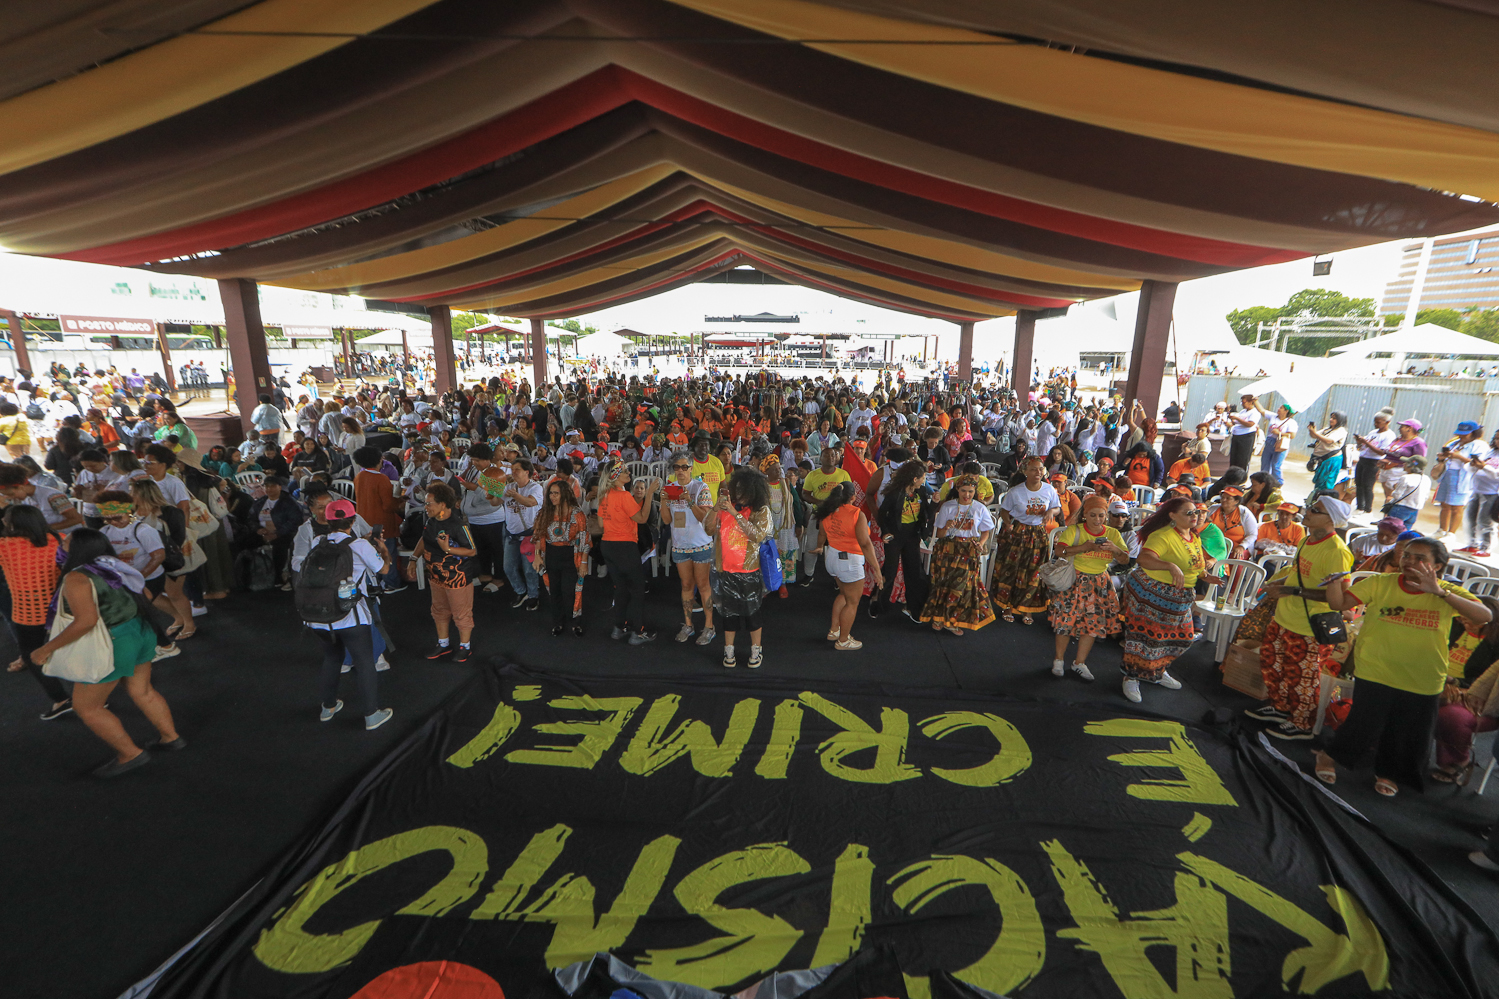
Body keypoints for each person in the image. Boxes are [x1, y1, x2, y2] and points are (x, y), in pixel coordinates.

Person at [1315, 537, 1491, 795]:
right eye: (1407, 555)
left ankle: (1390, 773)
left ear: (1438, 566)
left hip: (1423, 676)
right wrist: (1333, 583)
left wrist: (1440, 592)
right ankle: (1329, 757)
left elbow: (1485, 616)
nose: (1409, 562)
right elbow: (1339, 604)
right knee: (1364, 724)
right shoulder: (1380, 583)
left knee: (1408, 731)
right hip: (1376, 669)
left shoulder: (1446, 593)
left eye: (1420, 558)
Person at [31, 529, 181, 778]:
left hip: (113, 642)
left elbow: (86, 621)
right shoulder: (115, 565)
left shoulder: (77, 578)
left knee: (87, 707)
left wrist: (46, 649)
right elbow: (144, 593)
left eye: (66, 541)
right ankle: (171, 737)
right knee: (143, 691)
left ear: (77, 548)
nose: (62, 543)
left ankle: (130, 754)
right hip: (140, 632)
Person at [1245, 496, 1356, 740]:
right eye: (1310, 508)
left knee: (1302, 678)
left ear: (1331, 521)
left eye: (1314, 511)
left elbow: (1340, 597)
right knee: (1274, 666)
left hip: (1309, 627)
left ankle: (1302, 723)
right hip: (1285, 617)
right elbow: (1299, 576)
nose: (1306, 513)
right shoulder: (1307, 540)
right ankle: (1281, 708)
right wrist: (1281, 583)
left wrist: (1289, 591)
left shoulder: (1337, 552)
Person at [299, 498, 394, 731]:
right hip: (351, 614)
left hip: (318, 614)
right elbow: (383, 569)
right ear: (353, 520)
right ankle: (372, 714)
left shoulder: (317, 541)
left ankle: (328, 707)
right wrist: (382, 550)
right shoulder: (360, 545)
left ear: (328, 520)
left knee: (332, 658)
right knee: (364, 661)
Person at [1122, 496, 1218, 703]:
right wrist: (1169, 566)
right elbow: (1143, 558)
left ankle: (1156, 669)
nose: (1195, 516)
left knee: (1182, 637)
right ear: (1172, 516)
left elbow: (1194, 563)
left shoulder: (1193, 536)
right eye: (1189, 512)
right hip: (1153, 595)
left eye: (1197, 512)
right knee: (1145, 639)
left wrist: (1204, 575)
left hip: (1179, 597)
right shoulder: (1163, 535)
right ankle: (1131, 677)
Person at [1049, 494, 1127, 680]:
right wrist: (1084, 547)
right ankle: (1058, 660)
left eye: (1101, 515)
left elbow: (1125, 559)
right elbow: (1059, 551)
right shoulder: (1074, 530)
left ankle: (1079, 663)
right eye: (1093, 515)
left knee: (1092, 625)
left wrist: (1114, 549)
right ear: (1085, 514)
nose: (1097, 519)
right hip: (1074, 580)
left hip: (1100, 582)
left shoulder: (1113, 534)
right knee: (1065, 623)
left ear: (1106, 516)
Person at [0, 506, 68, 719]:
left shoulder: (5, 546)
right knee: (76, 648)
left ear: (12, 524)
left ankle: (60, 699)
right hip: (63, 606)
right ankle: (93, 696)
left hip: (27, 611)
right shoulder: (61, 539)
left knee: (31, 653)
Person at [707, 467, 774, 667]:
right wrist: (715, 509)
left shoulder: (761, 511)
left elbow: (756, 535)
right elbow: (708, 528)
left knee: (753, 614)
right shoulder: (726, 507)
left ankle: (756, 650)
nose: (738, 494)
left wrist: (735, 513)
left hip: (749, 572)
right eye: (736, 490)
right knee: (729, 615)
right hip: (725, 570)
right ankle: (729, 651)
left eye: (743, 491)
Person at [406, 481, 478, 661]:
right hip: (436, 576)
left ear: (443, 505)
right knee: (439, 610)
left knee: (461, 613)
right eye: (425, 503)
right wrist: (414, 558)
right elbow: (424, 539)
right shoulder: (430, 521)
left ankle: (465, 646)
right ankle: (443, 643)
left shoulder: (458, 525)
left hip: (457, 578)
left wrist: (448, 549)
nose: (426, 506)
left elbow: (471, 550)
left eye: (429, 503)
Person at [812, 481, 883, 651]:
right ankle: (843, 640)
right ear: (853, 496)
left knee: (844, 594)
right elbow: (865, 544)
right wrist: (877, 570)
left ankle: (834, 630)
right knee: (852, 602)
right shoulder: (856, 514)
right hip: (849, 562)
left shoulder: (827, 511)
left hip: (832, 558)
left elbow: (822, 534)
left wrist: (820, 546)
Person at [991, 456, 1060, 625]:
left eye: (1040, 469)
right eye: (1033, 469)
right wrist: (1007, 524)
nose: (1038, 472)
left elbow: (1056, 507)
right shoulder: (1016, 492)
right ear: (1025, 471)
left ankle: (1028, 609)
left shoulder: (1049, 490)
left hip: (1038, 534)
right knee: (1012, 570)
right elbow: (1004, 512)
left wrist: (1052, 512)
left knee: (1034, 572)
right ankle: (1008, 606)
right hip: (1018, 532)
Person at [597, 460, 660, 644]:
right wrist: (649, 494)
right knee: (637, 589)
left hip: (607, 545)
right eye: (624, 471)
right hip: (624, 546)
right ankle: (637, 632)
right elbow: (642, 518)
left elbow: (601, 524)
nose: (628, 473)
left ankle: (619, 627)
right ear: (615, 476)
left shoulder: (604, 495)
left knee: (620, 588)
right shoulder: (624, 496)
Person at [531, 476, 589, 636]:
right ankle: (558, 622)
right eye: (550, 493)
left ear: (565, 494)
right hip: (551, 554)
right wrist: (537, 555)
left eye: (556, 493)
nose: (552, 496)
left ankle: (575, 622)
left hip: (571, 554)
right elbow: (538, 535)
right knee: (554, 591)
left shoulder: (577, 514)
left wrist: (584, 562)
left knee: (571, 591)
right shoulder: (545, 513)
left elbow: (584, 539)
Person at [874, 461, 932, 622]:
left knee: (915, 572)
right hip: (895, 536)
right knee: (890, 572)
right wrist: (885, 532)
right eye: (923, 477)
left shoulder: (920, 493)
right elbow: (882, 514)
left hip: (912, 536)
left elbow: (927, 513)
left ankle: (915, 607)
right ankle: (879, 604)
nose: (924, 479)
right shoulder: (895, 494)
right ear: (914, 479)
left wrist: (935, 502)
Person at [1431, 420, 1485, 543]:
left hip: (1462, 477)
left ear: (1473, 433)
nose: (1461, 436)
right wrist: (1442, 458)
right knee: (1444, 504)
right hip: (1447, 474)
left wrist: (1459, 457)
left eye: (1465, 434)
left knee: (1457, 506)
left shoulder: (1478, 445)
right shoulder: (1455, 443)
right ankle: (1442, 530)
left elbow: (1478, 463)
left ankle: (1451, 533)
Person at [501, 458, 543, 610]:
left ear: (527, 472)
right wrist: (491, 493)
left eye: (517, 470)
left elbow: (531, 502)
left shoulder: (535, 488)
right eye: (512, 470)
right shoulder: (509, 486)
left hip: (529, 534)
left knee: (529, 569)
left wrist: (515, 495)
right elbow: (494, 503)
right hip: (511, 534)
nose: (513, 473)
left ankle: (533, 595)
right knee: (508, 567)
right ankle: (521, 591)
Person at [248, 475, 305, 590]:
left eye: (272, 486)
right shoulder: (260, 502)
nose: (269, 489)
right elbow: (251, 519)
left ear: (280, 487)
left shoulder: (289, 503)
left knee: (280, 546)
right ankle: (249, 575)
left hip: (283, 534)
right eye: (266, 486)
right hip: (263, 533)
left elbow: (295, 522)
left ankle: (278, 576)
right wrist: (258, 529)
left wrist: (277, 533)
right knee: (245, 541)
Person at [1459, 428, 1499, 557]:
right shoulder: (1491, 452)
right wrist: (1474, 464)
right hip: (1477, 489)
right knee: (1470, 518)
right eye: (1496, 438)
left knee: (1485, 521)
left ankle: (1486, 547)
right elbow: (1472, 467)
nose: (1497, 441)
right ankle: (1472, 544)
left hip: (1492, 492)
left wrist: (1485, 467)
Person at [1350, 411, 1396, 514]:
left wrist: (1366, 442)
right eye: (1375, 422)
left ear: (1387, 422)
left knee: (1368, 485)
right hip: (1363, 459)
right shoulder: (1373, 432)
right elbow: (1363, 447)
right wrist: (1360, 442)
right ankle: (1360, 507)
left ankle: (1367, 508)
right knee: (1359, 483)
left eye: (1378, 422)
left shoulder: (1389, 435)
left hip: (1374, 461)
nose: (1376, 424)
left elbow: (1381, 452)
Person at [1305, 410, 1349, 504]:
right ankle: (1316, 499)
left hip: (1331, 460)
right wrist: (1312, 430)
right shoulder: (1327, 429)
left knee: (1326, 482)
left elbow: (1329, 441)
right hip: (1321, 459)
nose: (1331, 420)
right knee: (1319, 481)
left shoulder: (1341, 430)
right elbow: (1314, 436)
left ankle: (1322, 501)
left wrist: (1316, 433)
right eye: (1331, 417)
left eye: (1334, 418)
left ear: (1340, 420)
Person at [1208, 486, 1258, 560]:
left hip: (1236, 547)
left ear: (1236, 501)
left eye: (1228, 498)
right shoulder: (1213, 509)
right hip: (1213, 545)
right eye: (1222, 497)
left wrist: (1242, 546)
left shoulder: (1244, 513)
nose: (1223, 500)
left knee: (1237, 557)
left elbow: (1252, 534)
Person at [1260, 403, 1297, 486]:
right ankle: (1263, 482)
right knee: (1265, 463)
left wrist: (1279, 433)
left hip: (1281, 444)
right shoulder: (1273, 416)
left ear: (1286, 411)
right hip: (1269, 442)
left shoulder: (1291, 422)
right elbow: (1262, 411)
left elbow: (1292, 435)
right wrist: (1255, 401)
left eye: (1281, 408)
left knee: (1276, 465)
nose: (1278, 409)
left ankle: (1277, 483)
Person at [1226, 393, 1262, 470]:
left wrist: (1237, 418)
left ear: (1250, 402)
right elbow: (1236, 422)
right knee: (1234, 457)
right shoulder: (1243, 411)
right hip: (1237, 435)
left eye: (1244, 402)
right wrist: (1232, 420)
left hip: (1246, 436)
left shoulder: (1254, 412)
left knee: (1242, 458)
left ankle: (1240, 476)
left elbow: (1250, 424)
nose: (1242, 404)